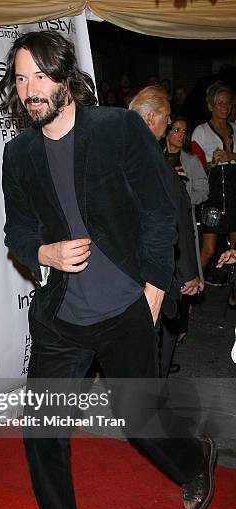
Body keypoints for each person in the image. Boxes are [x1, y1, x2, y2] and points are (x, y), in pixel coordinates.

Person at [0, 32, 215, 509]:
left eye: (40, 76)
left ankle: (194, 459)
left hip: (125, 306)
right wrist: (42, 253)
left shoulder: (116, 128)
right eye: (21, 79)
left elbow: (158, 208)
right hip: (60, 318)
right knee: (41, 427)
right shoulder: (18, 154)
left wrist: (153, 285)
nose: (31, 90)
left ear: (65, 75)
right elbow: (16, 231)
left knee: (139, 420)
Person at [129, 88, 203, 376]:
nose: (169, 123)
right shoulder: (156, 164)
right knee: (157, 341)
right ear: (152, 118)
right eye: (167, 118)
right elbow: (175, 223)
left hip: (125, 270)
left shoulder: (117, 154)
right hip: (158, 271)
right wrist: (189, 272)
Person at [165, 116, 209, 343]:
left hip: (183, 223)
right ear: (167, 131)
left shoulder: (191, 161)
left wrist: (181, 196)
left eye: (184, 131)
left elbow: (204, 192)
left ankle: (180, 328)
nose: (181, 135)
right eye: (177, 130)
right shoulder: (155, 156)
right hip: (161, 226)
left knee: (184, 275)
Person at [191, 82, 236, 307]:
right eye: (219, 103)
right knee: (208, 249)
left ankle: (234, 295)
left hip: (235, 193)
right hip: (214, 195)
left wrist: (230, 153)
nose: (224, 107)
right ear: (211, 106)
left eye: (227, 103)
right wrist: (212, 162)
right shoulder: (201, 131)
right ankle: (190, 294)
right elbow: (195, 168)